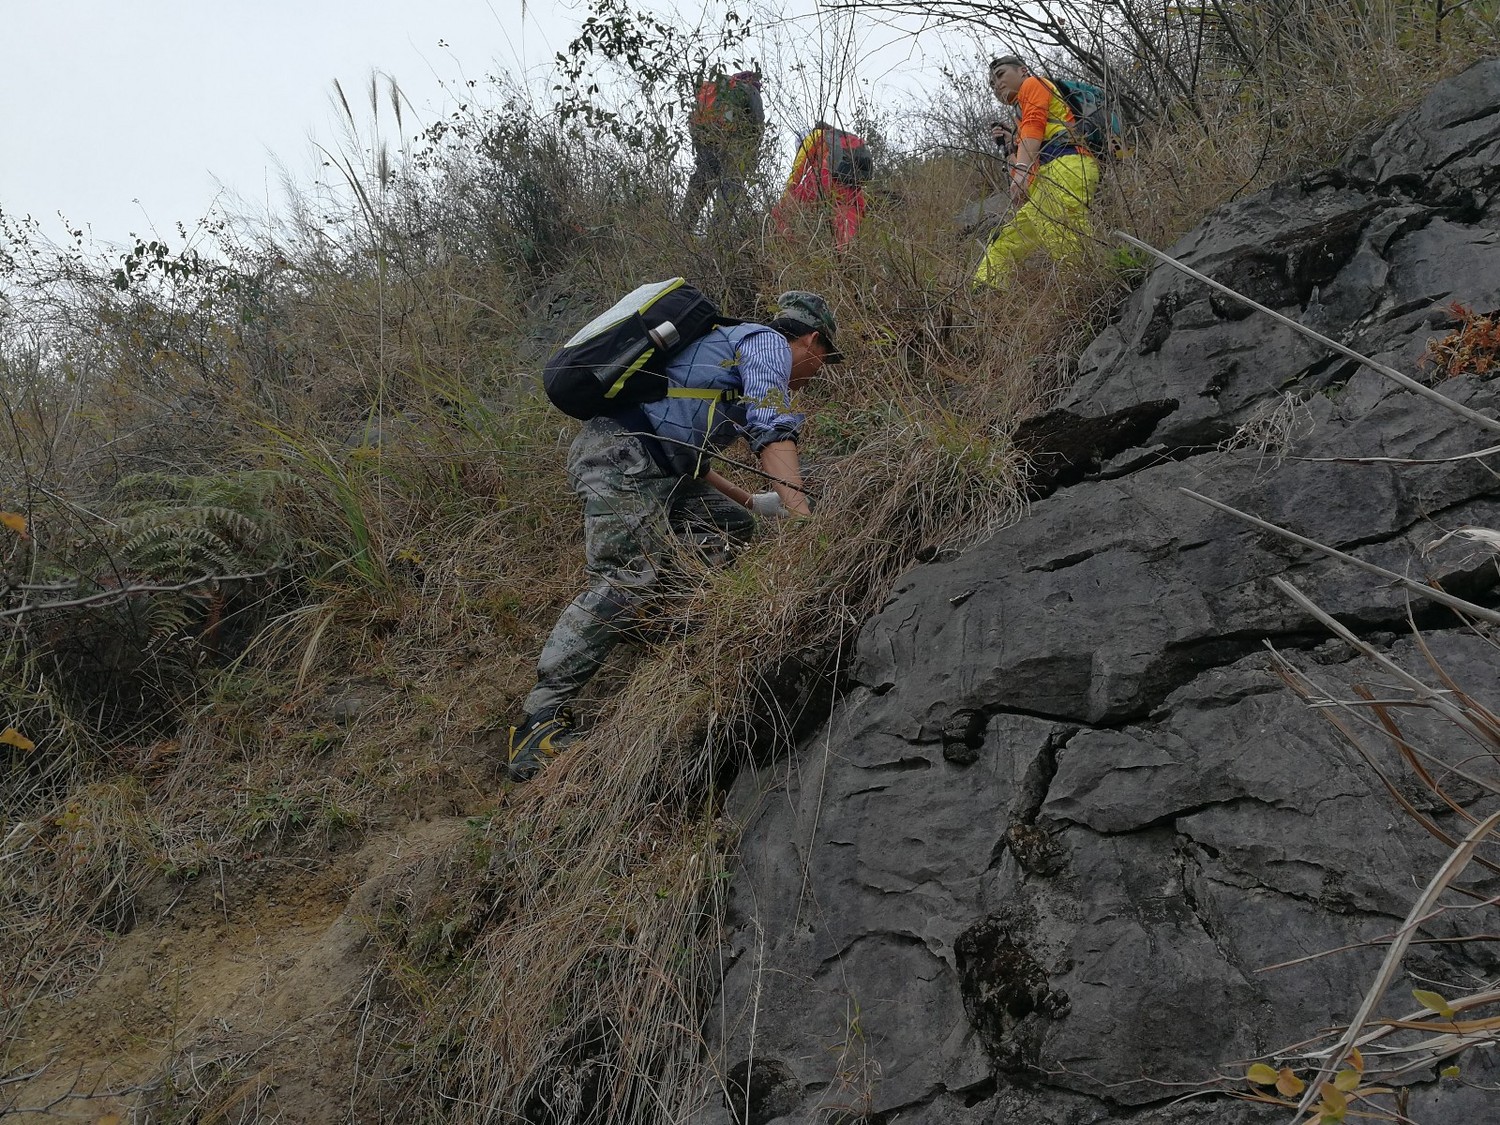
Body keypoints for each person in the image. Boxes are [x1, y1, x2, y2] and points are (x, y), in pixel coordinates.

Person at [504, 292, 844, 782]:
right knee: (624, 579)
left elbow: (688, 450)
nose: (818, 373)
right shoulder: (766, 344)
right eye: (824, 360)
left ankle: (675, 622)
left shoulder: (725, 347)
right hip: (622, 459)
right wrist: (803, 519)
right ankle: (538, 722)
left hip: (656, 464)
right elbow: (771, 428)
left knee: (733, 525)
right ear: (811, 340)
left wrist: (751, 503)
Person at [974, 55, 1101, 290]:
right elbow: (1028, 158)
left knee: (1063, 233)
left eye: (1000, 75)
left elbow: (1035, 125)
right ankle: (985, 295)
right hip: (1046, 178)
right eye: (992, 84)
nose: (997, 85)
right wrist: (1010, 148)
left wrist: (1021, 171)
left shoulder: (1033, 84)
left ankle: (1088, 290)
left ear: (1023, 70)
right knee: (1004, 242)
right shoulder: (1019, 117)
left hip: (1067, 164)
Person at [681, 68, 766, 226]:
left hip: (708, 147)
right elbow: (758, 125)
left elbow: (696, 125)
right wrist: (751, 158)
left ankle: (683, 228)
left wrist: (702, 151)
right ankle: (718, 235)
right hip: (735, 153)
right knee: (728, 195)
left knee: (699, 188)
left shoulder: (717, 92)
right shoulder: (751, 90)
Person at [771, 122, 870, 249]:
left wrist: (786, 199)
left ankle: (786, 246)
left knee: (781, 210)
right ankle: (844, 253)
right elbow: (860, 207)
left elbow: (797, 170)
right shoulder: (843, 140)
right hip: (851, 190)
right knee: (845, 225)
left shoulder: (814, 136)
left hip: (823, 179)